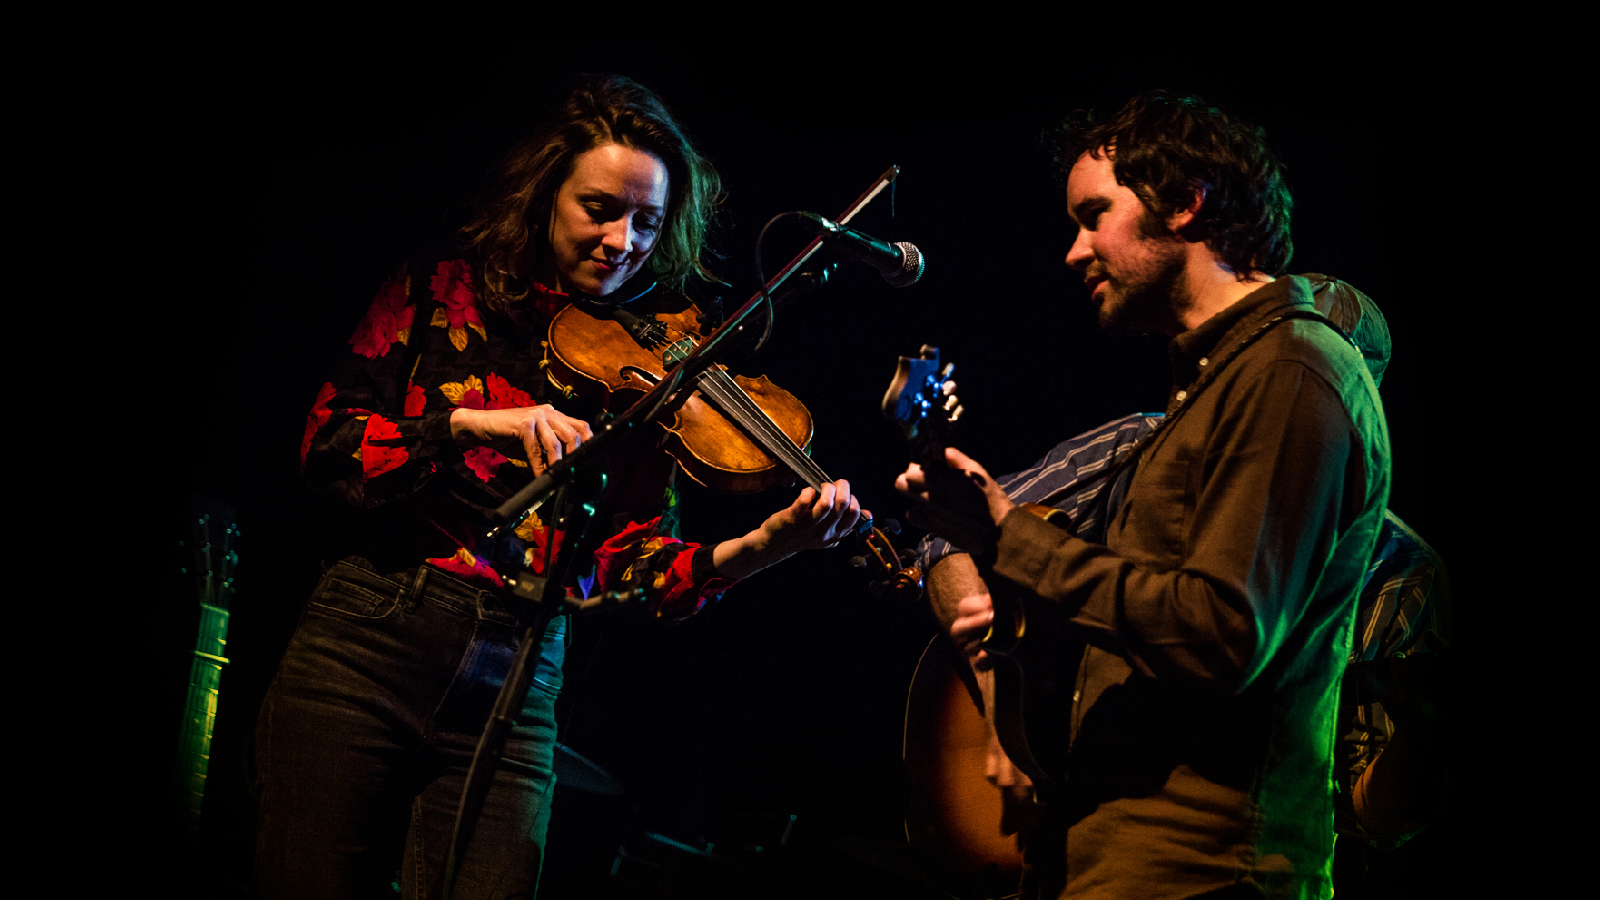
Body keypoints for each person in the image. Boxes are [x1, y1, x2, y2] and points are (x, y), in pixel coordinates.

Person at [255, 75, 863, 900]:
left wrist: (764, 546)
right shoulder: (442, 287)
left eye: (648, 222)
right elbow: (327, 448)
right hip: (370, 638)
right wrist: (471, 423)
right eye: (600, 209)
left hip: (521, 669)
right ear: (545, 195)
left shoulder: (654, 369)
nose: (623, 242)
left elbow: (631, 567)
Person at [896, 91, 1390, 899]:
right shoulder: (1216, 385)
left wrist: (1015, 537)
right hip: (1105, 858)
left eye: (1096, 216)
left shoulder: (1291, 370)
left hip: (1198, 873)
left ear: (1186, 202)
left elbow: (1219, 634)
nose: (1073, 251)